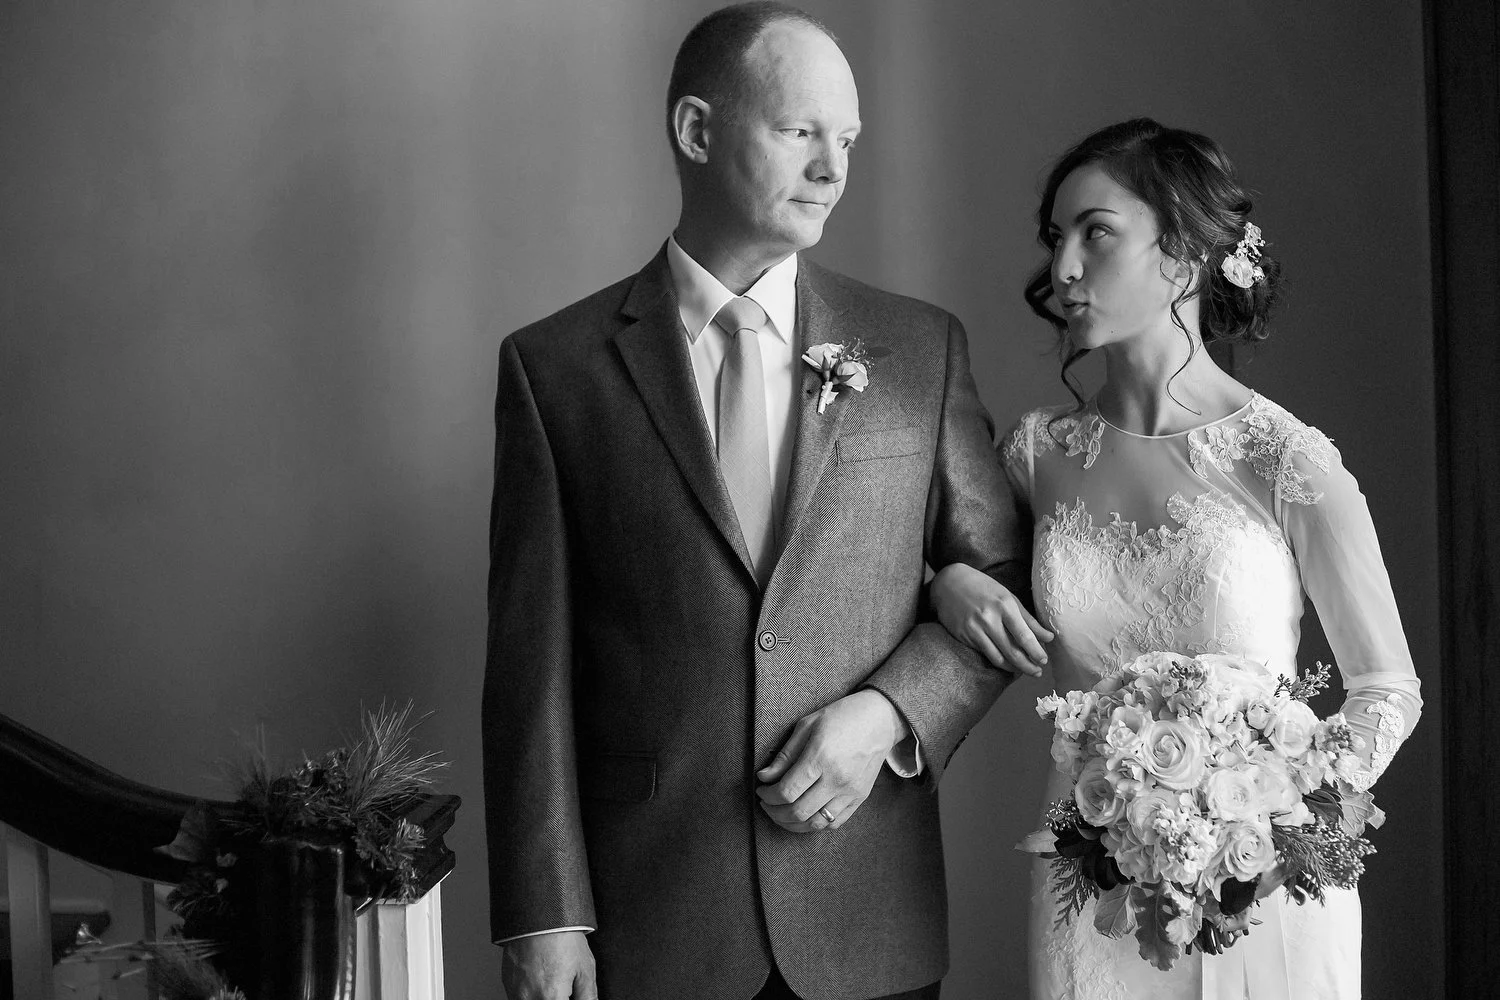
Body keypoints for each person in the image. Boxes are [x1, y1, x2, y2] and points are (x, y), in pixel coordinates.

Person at [482, 5, 1047, 999]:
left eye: (849, 140)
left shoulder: (918, 349)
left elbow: (1008, 576)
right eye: (799, 132)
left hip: (866, 913)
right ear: (698, 132)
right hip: (651, 924)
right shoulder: (555, 369)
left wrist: (888, 711)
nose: (833, 169)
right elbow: (531, 667)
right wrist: (545, 912)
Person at [930, 118, 1423, 999]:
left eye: (1097, 232)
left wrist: (1280, 810)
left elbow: (1387, 686)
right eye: (1057, 238)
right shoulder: (1037, 457)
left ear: (1186, 254)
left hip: (1259, 884)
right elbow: (946, 580)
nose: (1064, 269)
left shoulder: (1284, 459)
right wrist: (950, 580)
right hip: (1090, 886)